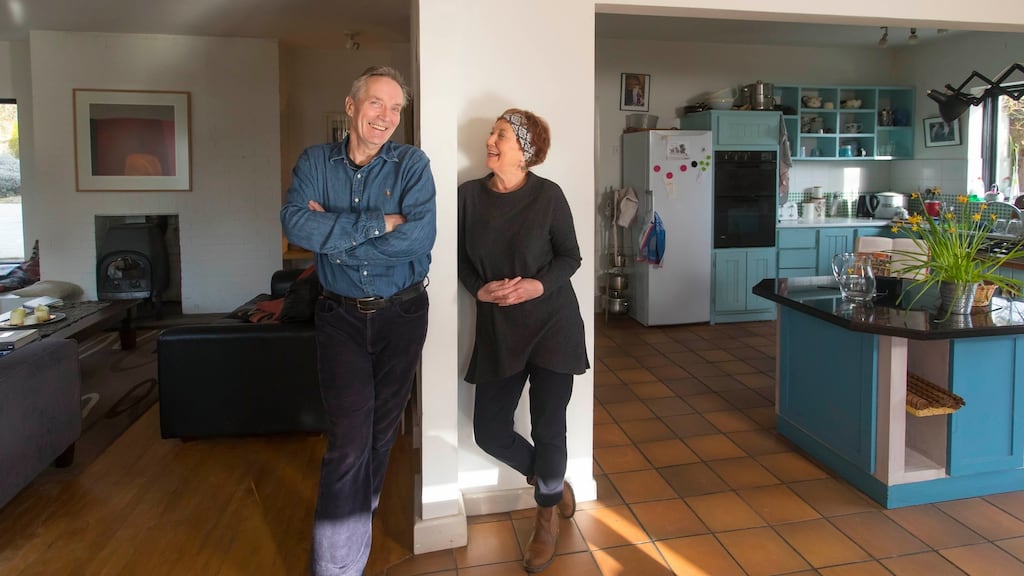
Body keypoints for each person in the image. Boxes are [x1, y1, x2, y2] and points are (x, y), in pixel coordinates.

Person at [280, 66, 436, 576]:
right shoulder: (314, 162)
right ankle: (336, 568)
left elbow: (418, 240)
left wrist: (336, 236)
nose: (386, 117)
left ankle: (352, 536)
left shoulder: (412, 165)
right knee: (348, 442)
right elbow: (296, 224)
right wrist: (379, 223)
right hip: (340, 318)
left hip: (404, 314)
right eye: (376, 103)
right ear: (351, 106)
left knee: (379, 436)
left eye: (396, 108)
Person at [458, 109, 589, 573]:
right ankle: (549, 482)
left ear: (526, 150)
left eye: (501, 135)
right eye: (492, 132)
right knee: (489, 431)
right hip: (500, 330)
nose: (490, 140)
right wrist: (478, 289)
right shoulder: (467, 198)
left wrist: (536, 285)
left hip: (554, 324)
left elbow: (570, 257)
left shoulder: (548, 196)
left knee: (549, 425)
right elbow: (457, 261)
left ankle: (546, 517)